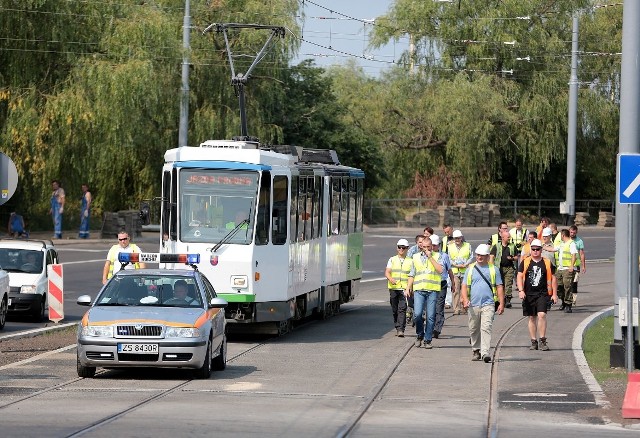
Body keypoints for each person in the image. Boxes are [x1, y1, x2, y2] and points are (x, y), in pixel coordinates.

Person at [461, 244, 505, 363]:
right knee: (474, 328)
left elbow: (499, 286)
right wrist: (465, 299)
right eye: (478, 255)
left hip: (489, 303)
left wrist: (501, 303)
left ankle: (485, 352)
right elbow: (464, 286)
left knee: (486, 327)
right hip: (473, 304)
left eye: (482, 255)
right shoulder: (470, 269)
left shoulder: (493, 269)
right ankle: (476, 350)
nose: (479, 257)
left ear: (487, 256)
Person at [516, 239, 558, 351]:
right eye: (533, 249)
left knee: (542, 315)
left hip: (543, 293)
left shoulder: (547, 262)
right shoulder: (525, 262)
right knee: (531, 317)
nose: (535, 251)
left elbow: (553, 278)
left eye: (537, 249)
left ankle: (543, 340)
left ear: (541, 250)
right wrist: (521, 290)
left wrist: (554, 294)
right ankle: (533, 341)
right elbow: (519, 276)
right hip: (528, 294)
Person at [405, 234, 443, 349]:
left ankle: (427, 340)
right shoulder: (415, 257)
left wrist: (430, 257)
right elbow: (412, 274)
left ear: (432, 246)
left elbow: (440, 270)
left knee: (431, 316)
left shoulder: (437, 256)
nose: (426, 249)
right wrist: (408, 287)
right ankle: (419, 335)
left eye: (428, 247)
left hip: (432, 290)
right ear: (421, 246)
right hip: (419, 289)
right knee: (417, 315)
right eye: (424, 247)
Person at [384, 239, 412, 337]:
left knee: (402, 309)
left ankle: (401, 329)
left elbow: (411, 276)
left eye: (403, 248)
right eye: (399, 247)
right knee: (394, 309)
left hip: (404, 289)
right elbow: (387, 272)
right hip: (393, 288)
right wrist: (390, 279)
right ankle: (397, 325)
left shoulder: (411, 261)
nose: (401, 249)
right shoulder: (392, 259)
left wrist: (409, 287)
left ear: (407, 249)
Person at [430, 234, 454, 339]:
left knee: (439, 308)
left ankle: (437, 329)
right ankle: (431, 327)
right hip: (430, 285)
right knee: (431, 308)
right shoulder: (426, 256)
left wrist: (453, 282)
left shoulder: (444, 256)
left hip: (441, 284)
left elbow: (449, 270)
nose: (433, 247)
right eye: (432, 245)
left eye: (435, 245)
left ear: (439, 245)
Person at [490, 229, 517, 308]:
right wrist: (491, 268)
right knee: (500, 284)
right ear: (503, 237)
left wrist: (512, 258)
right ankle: (500, 300)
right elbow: (492, 256)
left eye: (509, 237)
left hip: (509, 268)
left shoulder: (512, 246)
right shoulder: (496, 246)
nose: (509, 238)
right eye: (507, 237)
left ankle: (508, 300)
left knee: (508, 284)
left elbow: (516, 257)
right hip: (499, 268)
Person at [448, 229, 473, 315]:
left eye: (458, 238)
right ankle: (456, 308)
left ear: (461, 238)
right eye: (455, 238)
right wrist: (456, 265)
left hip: (465, 270)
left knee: (465, 289)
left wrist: (466, 264)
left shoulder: (467, 245)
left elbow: (471, 256)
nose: (457, 240)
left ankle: (464, 307)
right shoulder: (450, 246)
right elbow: (449, 258)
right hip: (455, 271)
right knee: (455, 290)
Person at [555, 229, 578, 313]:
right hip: (560, 269)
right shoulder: (562, 244)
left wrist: (571, 266)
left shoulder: (571, 243)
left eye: (560, 235)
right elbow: (553, 249)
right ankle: (563, 301)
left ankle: (568, 304)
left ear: (563, 235)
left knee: (567, 286)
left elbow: (574, 255)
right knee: (558, 286)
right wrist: (542, 246)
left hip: (567, 269)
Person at [569, 225, 587, 306]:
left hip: (576, 266)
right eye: (571, 232)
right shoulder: (566, 240)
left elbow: (582, 254)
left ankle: (573, 299)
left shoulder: (579, 241)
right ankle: (566, 299)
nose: (572, 234)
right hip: (567, 265)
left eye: (574, 232)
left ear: (576, 233)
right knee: (566, 283)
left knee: (574, 283)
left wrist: (583, 266)